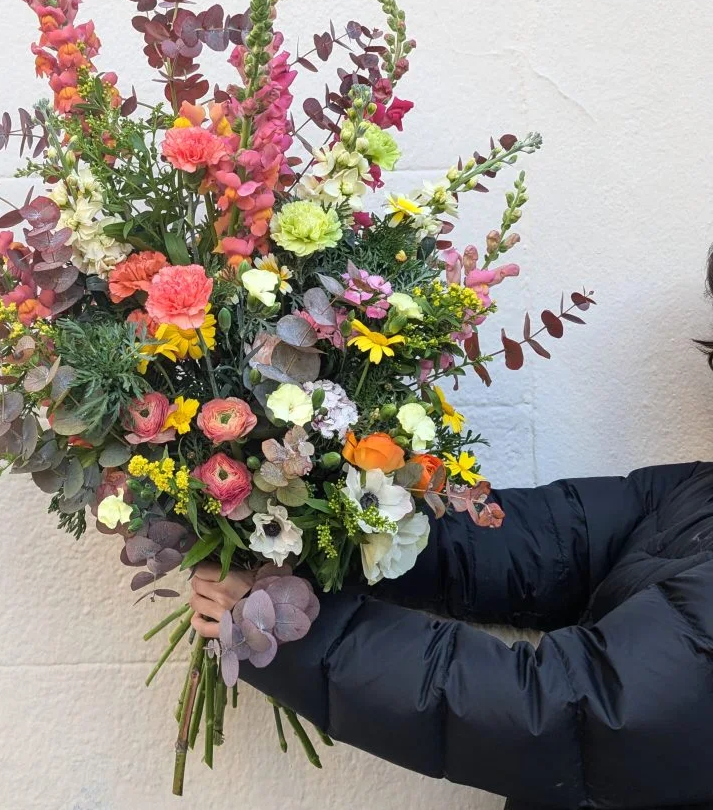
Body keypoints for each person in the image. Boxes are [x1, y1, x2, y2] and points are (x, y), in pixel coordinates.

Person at [188, 252, 713, 810]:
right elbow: (524, 546)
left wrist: (280, 625)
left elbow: (569, 712)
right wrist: (321, 517)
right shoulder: (693, 493)